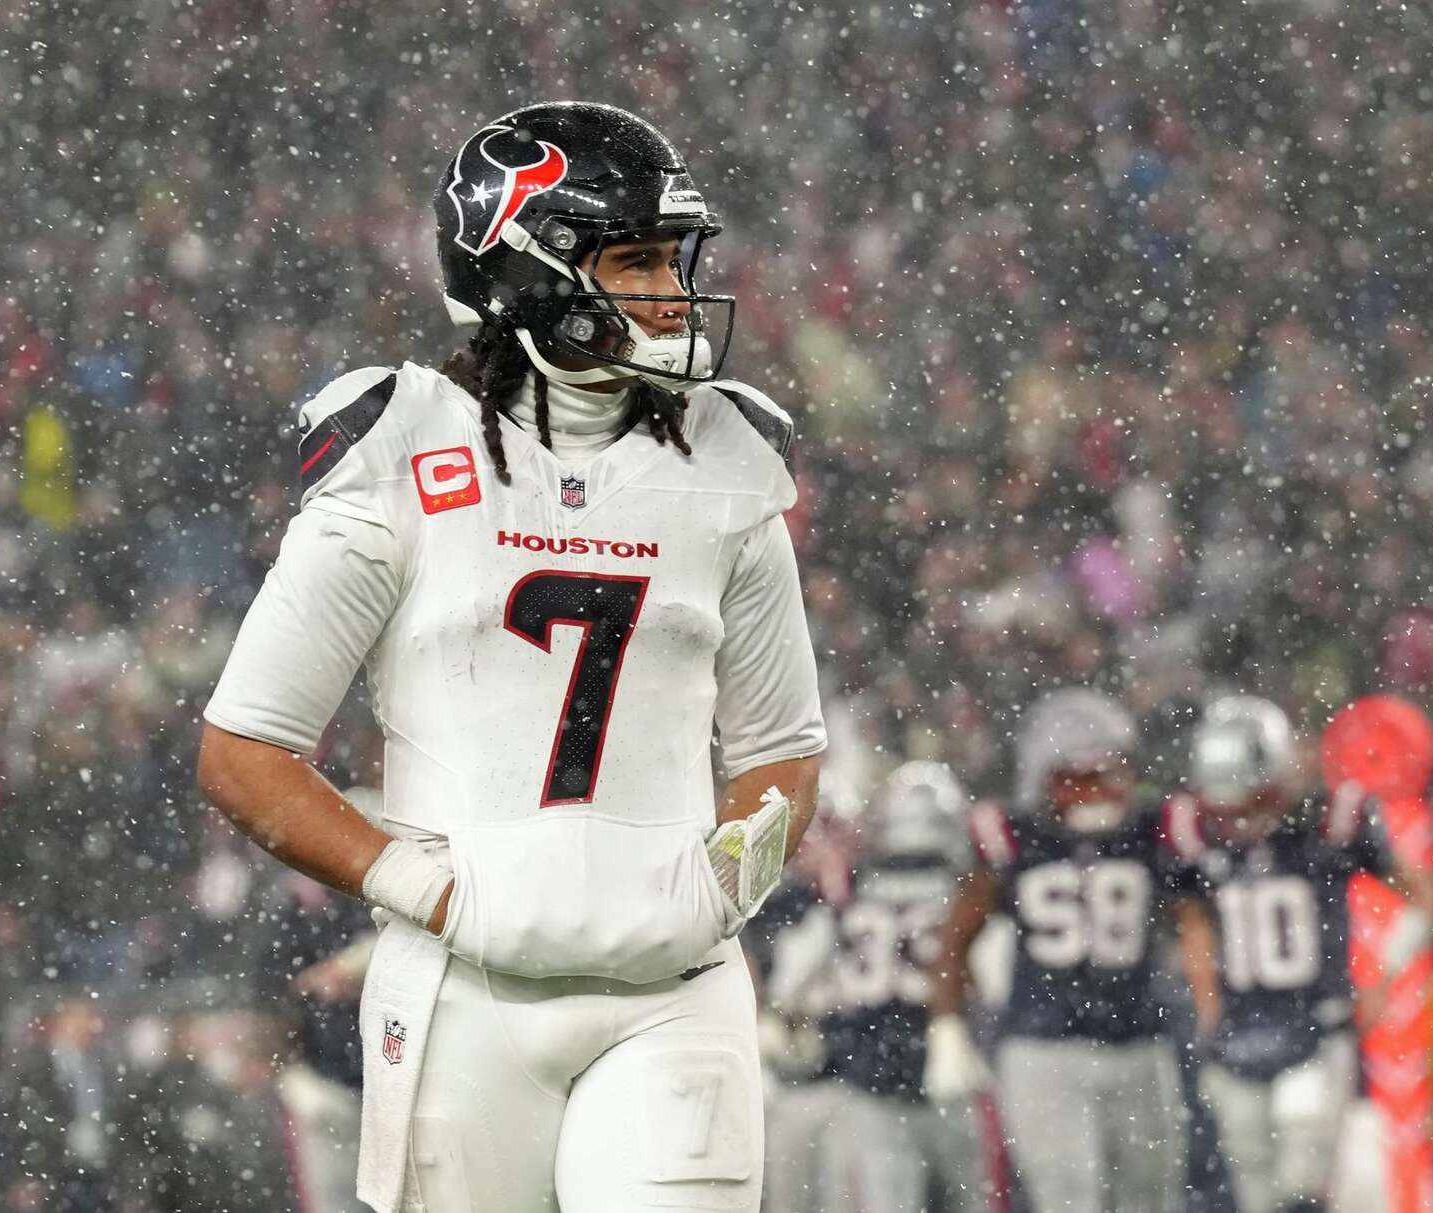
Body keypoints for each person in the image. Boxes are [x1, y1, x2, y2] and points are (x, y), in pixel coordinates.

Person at [196, 102, 827, 1213]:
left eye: (672, 263)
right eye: (633, 261)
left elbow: (782, 748)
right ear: (526, 269)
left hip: (672, 987)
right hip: (461, 990)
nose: (672, 296)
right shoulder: (402, 449)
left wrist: (733, 875)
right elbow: (245, 747)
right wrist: (422, 890)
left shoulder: (725, 459)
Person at [1165, 696, 1433, 1213]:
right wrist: (1207, 1007)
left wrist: (1383, 975)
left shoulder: (1331, 820)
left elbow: (1422, 895)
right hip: (1237, 1031)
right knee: (1251, 1189)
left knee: (1301, 1186)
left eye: (1248, 801)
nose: (1235, 821)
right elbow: (1193, 919)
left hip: (1316, 1028)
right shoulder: (1197, 835)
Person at [930, 688, 1187, 1213]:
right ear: (1047, 780)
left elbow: (1195, 916)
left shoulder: (1148, 830)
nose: (1101, 790)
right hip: (1044, 1046)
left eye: (1110, 773)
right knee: (1069, 1198)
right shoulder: (1016, 837)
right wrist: (947, 1025)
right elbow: (956, 938)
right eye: (1082, 777)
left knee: (1151, 1199)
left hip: (1139, 1040)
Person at [769, 761, 993, 1213]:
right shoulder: (966, 890)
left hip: (870, 1076)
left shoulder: (848, 888)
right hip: (944, 1077)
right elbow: (993, 982)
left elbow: (791, 986)